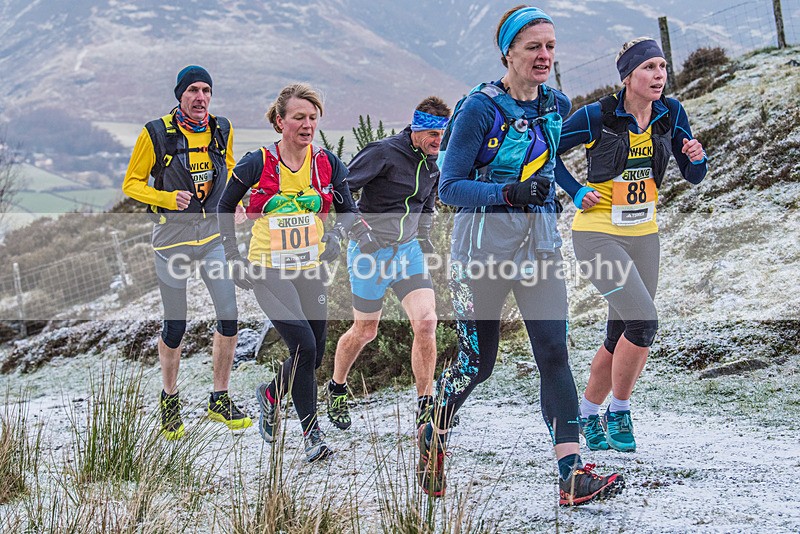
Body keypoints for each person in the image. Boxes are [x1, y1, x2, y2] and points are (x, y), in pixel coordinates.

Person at [420, 6, 624, 506]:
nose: (544, 56)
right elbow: (450, 188)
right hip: (479, 252)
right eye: (533, 46)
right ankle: (433, 428)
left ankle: (571, 475)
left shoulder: (556, 101)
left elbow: (550, 165)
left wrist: (560, 192)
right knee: (477, 363)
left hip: (539, 247)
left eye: (550, 46)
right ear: (508, 52)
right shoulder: (478, 109)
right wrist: (511, 193)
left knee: (554, 351)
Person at [556, 37, 707, 453]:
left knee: (621, 329)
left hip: (644, 235)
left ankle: (586, 413)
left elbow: (694, 174)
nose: (659, 75)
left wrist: (697, 158)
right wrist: (573, 189)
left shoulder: (670, 112)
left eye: (661, 66)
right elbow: (547, 151)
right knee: (644, 323)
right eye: (649, 68)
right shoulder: (596, 116)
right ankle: (618, 409)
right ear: (628, 76)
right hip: (597, 234)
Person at [217, 83, 370, 462]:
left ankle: (271, 393)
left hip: (311, 266)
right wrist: (234, 256)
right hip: (267, 267)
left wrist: (336, 234)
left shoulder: (327, 163)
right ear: (280, 121)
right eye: (299, 117)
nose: (307, 125)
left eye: (313, 118)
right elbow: (224, 205)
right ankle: (311, 435)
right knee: (303, 344)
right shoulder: (259, 162)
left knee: (313, 353)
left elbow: (348, 210)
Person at [122, 65, 252, 440]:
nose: (201, 97)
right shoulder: (155, 133)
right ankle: (169, 399)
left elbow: (228, 168)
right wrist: (165, 198)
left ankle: (220, 398)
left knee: (229, 316)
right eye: (193, 90)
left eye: (206, 90)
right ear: (180, 95)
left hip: (211, 237)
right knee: (175, 325)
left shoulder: (221, 128)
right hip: (172, 241)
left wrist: (234, 203)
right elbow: (131, 183)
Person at [325, 97, 451, 432]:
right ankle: (336, 387)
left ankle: (425, 404)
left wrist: (424, 236)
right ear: (416, 128)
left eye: (443, 133)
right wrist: (358, 231)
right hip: (369, 254)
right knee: (366, 330)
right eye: (433, 134)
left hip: (407, 253)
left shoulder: (432, 163)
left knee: (426, 323)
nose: (438, 140)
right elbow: (341, 190)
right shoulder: (382, 152)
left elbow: (426, 202)